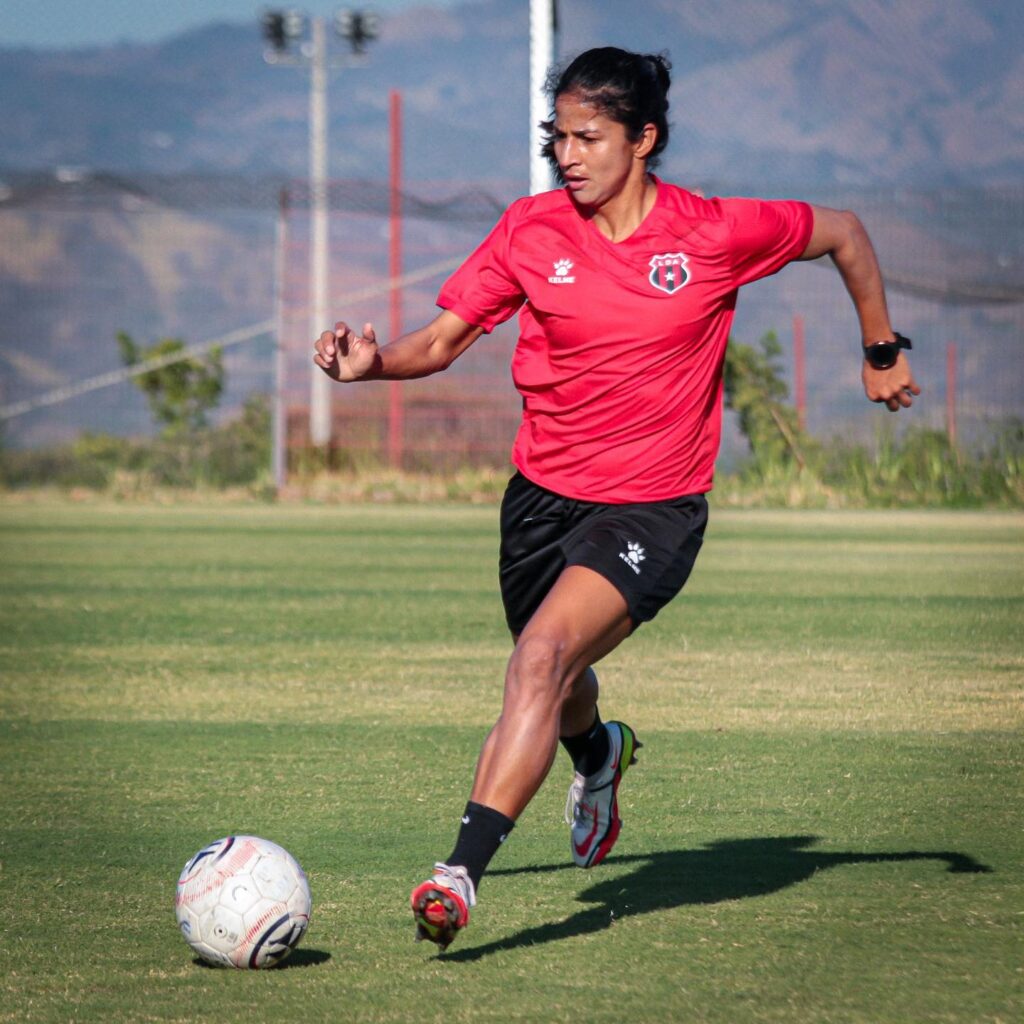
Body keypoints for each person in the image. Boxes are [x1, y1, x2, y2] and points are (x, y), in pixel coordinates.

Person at [313, 46, 920, 951]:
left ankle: (457, 876)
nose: (569, 154)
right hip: (539, 503)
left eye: (588, 137)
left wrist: (880, 350)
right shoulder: (530, 231)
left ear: (645, 138)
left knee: (539, 660)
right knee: (554, 681)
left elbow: (845, 232)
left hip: (654, 508)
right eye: (558, 137)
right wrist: (371, 365)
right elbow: (443, 339)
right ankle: (598, 753)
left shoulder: (712, 231)